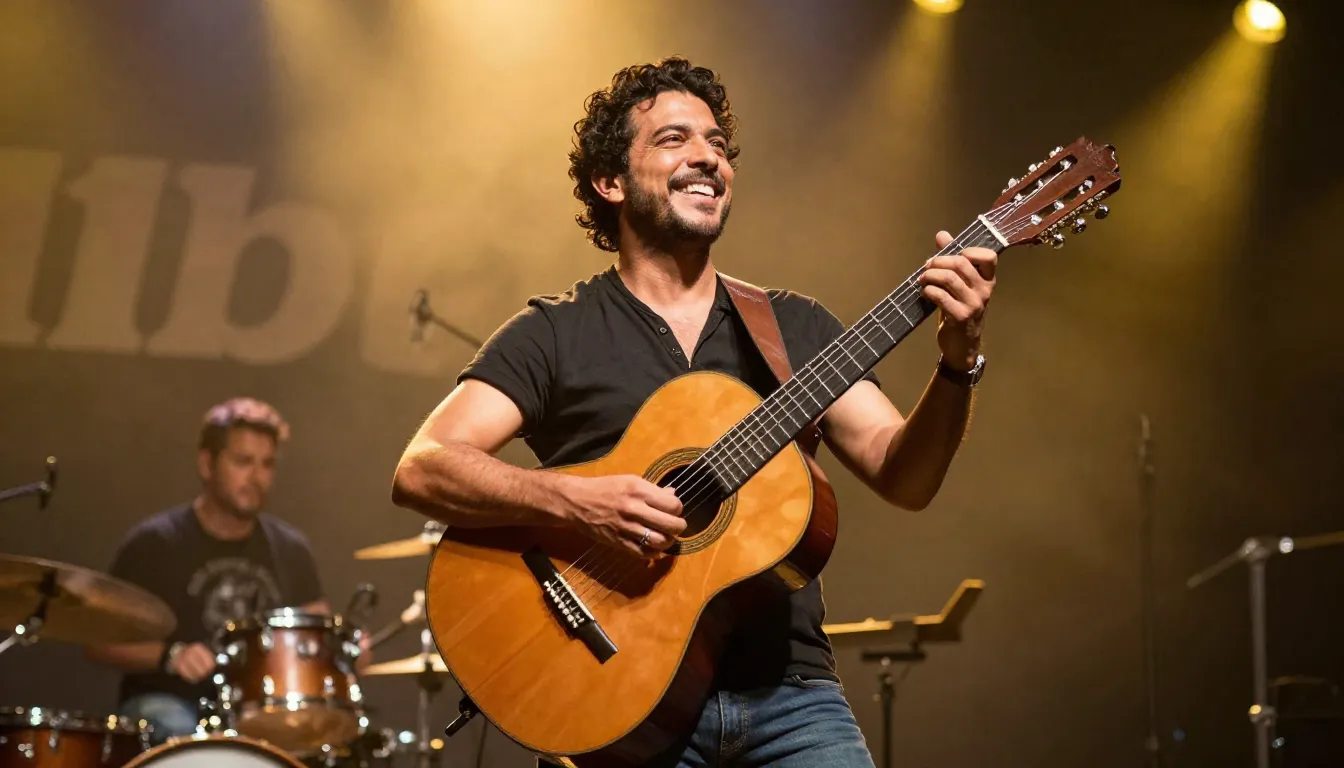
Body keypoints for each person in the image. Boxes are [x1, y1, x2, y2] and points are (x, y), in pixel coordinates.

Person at [390, 57, 996, 767]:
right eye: (674, 139)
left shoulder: (794, 327)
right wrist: (579, 501)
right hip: (620, 697)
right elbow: (423, 467)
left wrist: (958, 361)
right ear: (610, 181)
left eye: (718, 144)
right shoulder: (553, 332)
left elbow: (906, 478)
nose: (708, 157)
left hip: (790, 695)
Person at [87, 397, 358, 743]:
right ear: (206, 464)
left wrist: (344, 652)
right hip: (170, 702)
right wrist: (170, 656)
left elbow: (318, 631)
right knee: (176, 726)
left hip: (258, 711)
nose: (256, 477)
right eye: (243, 461)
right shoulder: (156, 543)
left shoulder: (290, 549)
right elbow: (99, 642)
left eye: (267, 464)